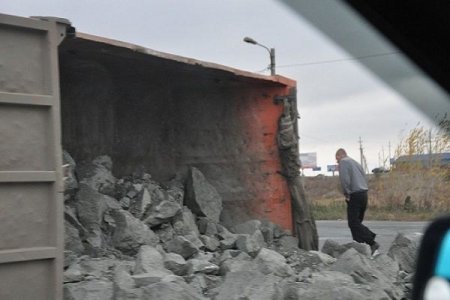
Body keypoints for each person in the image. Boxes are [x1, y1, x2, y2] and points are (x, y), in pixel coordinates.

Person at [335, 148, 379, 255]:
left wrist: (347, 193)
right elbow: (364, 177)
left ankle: (371, 240)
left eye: (337, 159)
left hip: (354, 195)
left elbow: (345, 180)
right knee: (356, 223)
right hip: (364, 194)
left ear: (341, 155)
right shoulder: (356, 163)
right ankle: (359, 246)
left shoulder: (344, 162)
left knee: (353, 222)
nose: (337, 162)